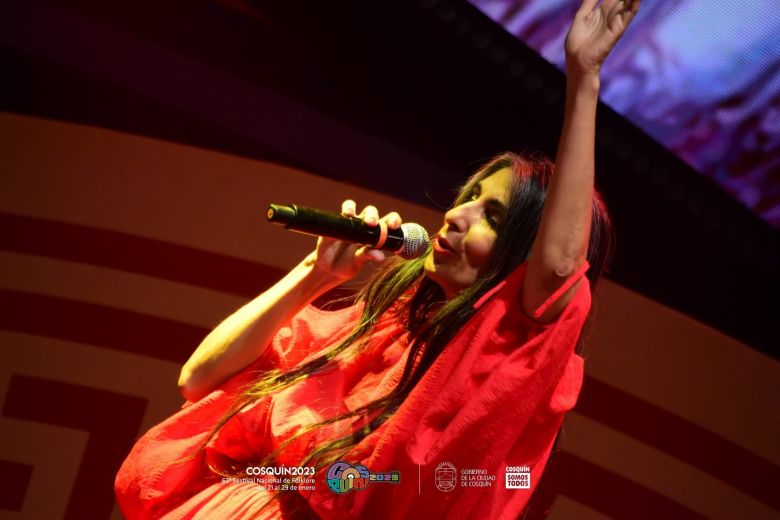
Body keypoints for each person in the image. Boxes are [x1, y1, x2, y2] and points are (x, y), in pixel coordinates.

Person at [115, 1, 639, 518]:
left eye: (492, 217)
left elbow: (561, 264)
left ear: (522, 259)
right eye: (469, 196)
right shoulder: (379, 329)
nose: (458, 213)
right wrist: (312, 276)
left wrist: (584, 79)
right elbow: (198, 378)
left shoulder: (503, 357)